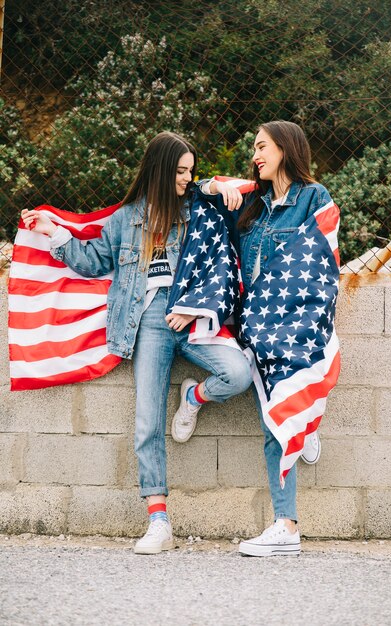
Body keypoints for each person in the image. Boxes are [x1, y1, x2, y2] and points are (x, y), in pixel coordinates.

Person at [21, 131, 252, 555]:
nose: (187, 177)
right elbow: (92, 262)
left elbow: (225, 242)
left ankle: (195, 396)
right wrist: (54, 232)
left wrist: (216, 186)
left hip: (196, 319)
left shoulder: (199, 210)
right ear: (161, 170)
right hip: (148, 321)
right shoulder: (125, 220)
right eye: (180, 171)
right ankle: (159, 521)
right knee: (147, 420)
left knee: (238, 374)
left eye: (191, 171)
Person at [196, 120, 339, 556]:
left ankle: (285, 525)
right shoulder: (250, 202)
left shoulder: (313, 198)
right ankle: (301, 424)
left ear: (286, 148)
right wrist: (224, 187)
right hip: (255, 331)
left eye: (262, 147)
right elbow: (194, 190)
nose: (256, 155)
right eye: (254, 149)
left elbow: (324, 262)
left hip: (297, 329)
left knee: (274, 425)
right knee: (276, 421)